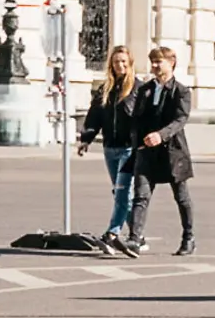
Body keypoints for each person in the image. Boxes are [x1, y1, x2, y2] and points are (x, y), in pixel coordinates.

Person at [128, 46, 197, 256]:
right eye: (153, 62)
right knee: (141, 196)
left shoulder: (182, 91)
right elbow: (137, 119)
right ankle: (134, 239)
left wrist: (161, 134)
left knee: (181, 197)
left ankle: (188, 237)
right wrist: (136, 142)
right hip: (147, 152)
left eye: (159, 62)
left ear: (171, 63)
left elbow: (180, 119)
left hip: (173, 152)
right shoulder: (145, 89)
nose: (155, 66)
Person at [76, 45, 143, 258]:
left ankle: (112, 234)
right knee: (120, 193)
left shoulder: (139, 89)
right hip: (110, 148)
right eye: (116, 62)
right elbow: (94, 116)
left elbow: (144, 118)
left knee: (122, 192)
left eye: (124, 62)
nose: (120, 65)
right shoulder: (105, 89)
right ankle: (137, 236)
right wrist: (86, 139)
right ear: (111, 65)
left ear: (130, 64)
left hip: (129, 149)